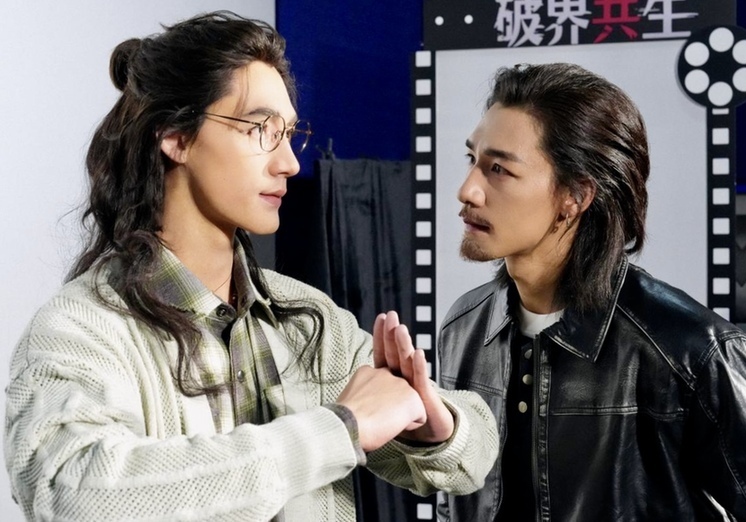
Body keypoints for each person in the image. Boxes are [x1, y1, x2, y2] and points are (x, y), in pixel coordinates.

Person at [3, 11, 498, 522]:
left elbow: (475, 455)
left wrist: (430, 422)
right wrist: (339, 429)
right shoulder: (80, 329)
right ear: (176, 136)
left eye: (288, 134)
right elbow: (75, 494)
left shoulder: (308, 321)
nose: (289, 164)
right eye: (260, 129)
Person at [436, 62, 746, 521]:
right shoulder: (463, 328)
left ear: (575, 196)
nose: (468, 191)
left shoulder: (692, 352)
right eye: (472, 160)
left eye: (499, 169)